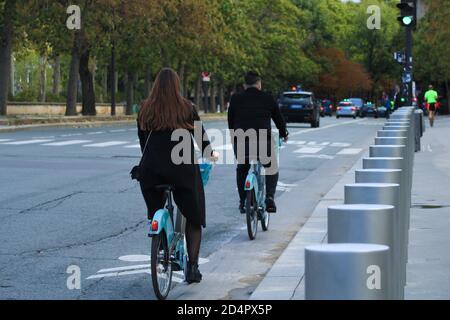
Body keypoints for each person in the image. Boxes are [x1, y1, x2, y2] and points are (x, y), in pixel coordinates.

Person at [137, 68, 217, 284]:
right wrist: (211, 154)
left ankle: (161, 241)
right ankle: (193, 267)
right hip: (182, 169)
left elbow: (143, 142)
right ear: (177, 86)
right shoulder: (187, 108)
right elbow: (201, 137)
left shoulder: (145, 109)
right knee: (193, 217)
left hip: (151, 171)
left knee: (155, 208)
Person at [227, 71, 288, 214]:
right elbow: (278, 119)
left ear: (244, 85)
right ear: (259, 84)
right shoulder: (267, 98)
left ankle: (243, 202)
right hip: (263, 142)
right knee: (271, 166)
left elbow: (231, 121)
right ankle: (270, 198)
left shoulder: (235, 98)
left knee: (242, 168)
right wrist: (284, 133)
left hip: (241, 141)